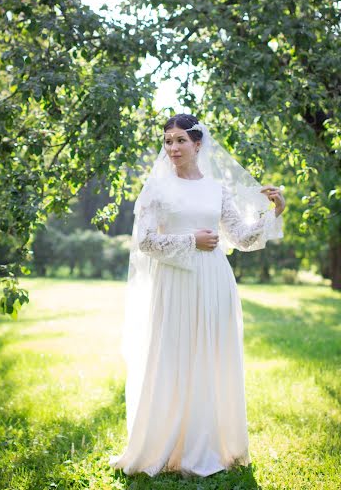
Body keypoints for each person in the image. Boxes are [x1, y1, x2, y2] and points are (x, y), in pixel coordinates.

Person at [110, 113, 286, 477]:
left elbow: (240, 236)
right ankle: (166, 445)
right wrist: (191, 240)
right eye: (168, 141)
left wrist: (274, 213)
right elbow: (143, 241)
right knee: (172, 358)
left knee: (210, 356)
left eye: (180, 141)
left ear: (198, 144)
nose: (173, 148)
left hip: (213, 281)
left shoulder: (216, 189)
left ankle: (205, 445)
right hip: (173, 283)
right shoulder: (156, 189)